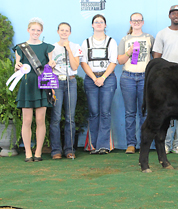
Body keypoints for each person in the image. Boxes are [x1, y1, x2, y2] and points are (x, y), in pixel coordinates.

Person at [13, 17, 55, 162]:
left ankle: (38, 152)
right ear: (28, 30)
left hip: (42, 84)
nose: (35, 32)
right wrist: (17, 65)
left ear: (41, 31)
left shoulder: (47, 47)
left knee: (40, 119)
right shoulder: (20, 47)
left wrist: (52, 64)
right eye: (33, 30)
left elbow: (50, 64)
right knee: (27, 120)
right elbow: (17, 64)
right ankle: (27, 152)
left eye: (38, 30)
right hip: (26, 86)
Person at [153, 5, 178, 154]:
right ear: (169, 16)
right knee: (166, 113)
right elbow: (156, 57)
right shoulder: (162, 34)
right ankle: (165, 144)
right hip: (166, 80)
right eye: (173, 13)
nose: (176, 16)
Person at [81, 14, 118, 154]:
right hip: (91, 78)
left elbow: (113, 61)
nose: (98, 24)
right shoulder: (86, 42)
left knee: (105, 112)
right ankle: (93, 145)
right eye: (96, 22)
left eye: (101, 22)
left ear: (105, 25)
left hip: (107, 78)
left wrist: (102, 77)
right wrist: (94, 78)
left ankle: (104, 145)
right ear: (92, 25)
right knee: (93, 112)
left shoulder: (111, 42)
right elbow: (83, 62)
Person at [118, 12, 154, 154]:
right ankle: (131, 144)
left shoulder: (149, 38)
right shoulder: (125, 39)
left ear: (143, 22)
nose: (137, 22)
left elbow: (155, 57)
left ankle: (145, 143)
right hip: (128, 78)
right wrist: (130, 51)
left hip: (145, 78)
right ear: (130, 22)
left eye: (139, 20)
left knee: (145, 112)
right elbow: (120, 60)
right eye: (134, 20)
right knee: (130, 113)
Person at [50, 22, 83, 160]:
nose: (64, 32)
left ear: (70, 32)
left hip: (71, 80)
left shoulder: (75, 47)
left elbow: (75, 65)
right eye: (62, 30)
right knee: (56, 117)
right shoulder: (51, 48)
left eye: (67, 30)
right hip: (57, 80)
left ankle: (69, 149)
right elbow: (49, 69)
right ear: (58, 31)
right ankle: (56, 150)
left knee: (70, 117)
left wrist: (68, 49)